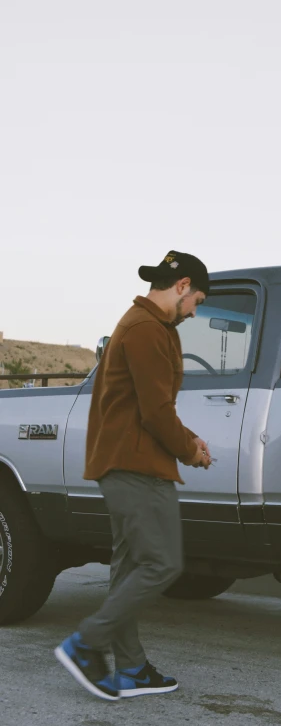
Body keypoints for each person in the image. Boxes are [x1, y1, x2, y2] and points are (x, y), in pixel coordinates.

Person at [55, 250, 212, 701]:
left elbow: (147, 405)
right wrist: (190, 451)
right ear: (181, 286)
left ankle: (131, 668)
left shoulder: (141, 324)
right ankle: (86, 644)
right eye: (197, 300)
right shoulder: (146, 329)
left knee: (128, 570)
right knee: (162, 563)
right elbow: (156, 410)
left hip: (125, 462)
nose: (195, 311)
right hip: (137, 467)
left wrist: (187, 439)